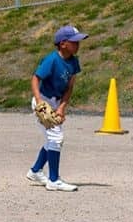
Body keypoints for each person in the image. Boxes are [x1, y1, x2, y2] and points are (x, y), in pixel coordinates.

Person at [25, 25, 88, 192]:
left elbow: (70, 87)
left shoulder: (74, 61)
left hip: (56, 103)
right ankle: (53, 180)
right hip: (43, 101)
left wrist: (62, 107)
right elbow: (35, 79)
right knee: (56, 138)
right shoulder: (52, 59)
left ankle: (35, 171)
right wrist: (39, 102)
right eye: (74, 42)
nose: (78, 45)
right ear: (63, 43)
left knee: (52, 139)